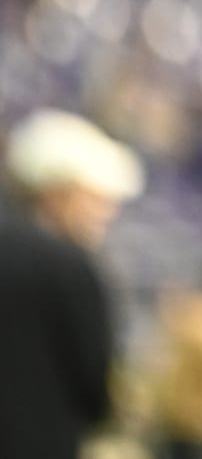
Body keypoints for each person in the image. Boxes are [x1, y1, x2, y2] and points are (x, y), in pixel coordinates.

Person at [0, 108, 143, 459]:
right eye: (94, 198)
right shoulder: (69, 265)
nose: (105, 213)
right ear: (57, 192)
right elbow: (95, 383)